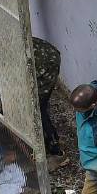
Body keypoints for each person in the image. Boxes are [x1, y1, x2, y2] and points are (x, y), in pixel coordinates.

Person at [32, 36, 65, 167]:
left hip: (47, 62)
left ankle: (57, 152)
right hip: (43, 57)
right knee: (39, 106)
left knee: (38, 108)